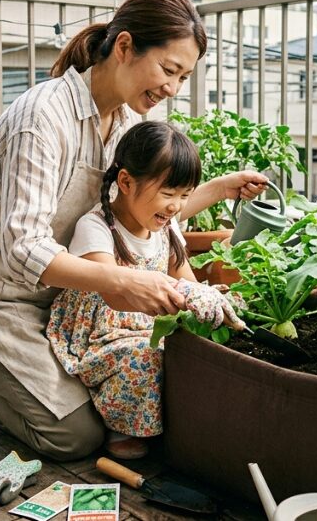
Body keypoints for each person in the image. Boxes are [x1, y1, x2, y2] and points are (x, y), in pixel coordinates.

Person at [0, 0, 267, 461]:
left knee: (112, 404)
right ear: (124, 46)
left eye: (183, 77)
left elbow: (134, 216)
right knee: (74, 437)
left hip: (65, 299)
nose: (173, 88)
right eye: (168, 70)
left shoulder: (123, 124)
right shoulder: (42, 117)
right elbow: (23, 248)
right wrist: (122, 280)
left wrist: (219, 189)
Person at [46, 121, 245, 460]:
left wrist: (208, 297)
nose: (176, 206)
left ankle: (163, 418)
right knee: (145, 354)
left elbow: (186, 281)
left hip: (148, 324)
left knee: (192, 345)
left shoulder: (165, 229)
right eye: (168, 194)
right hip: (102, 331)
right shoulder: (97, 226)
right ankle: (121, 425)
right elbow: (113, 292)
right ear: (126, 182)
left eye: (184, 196)